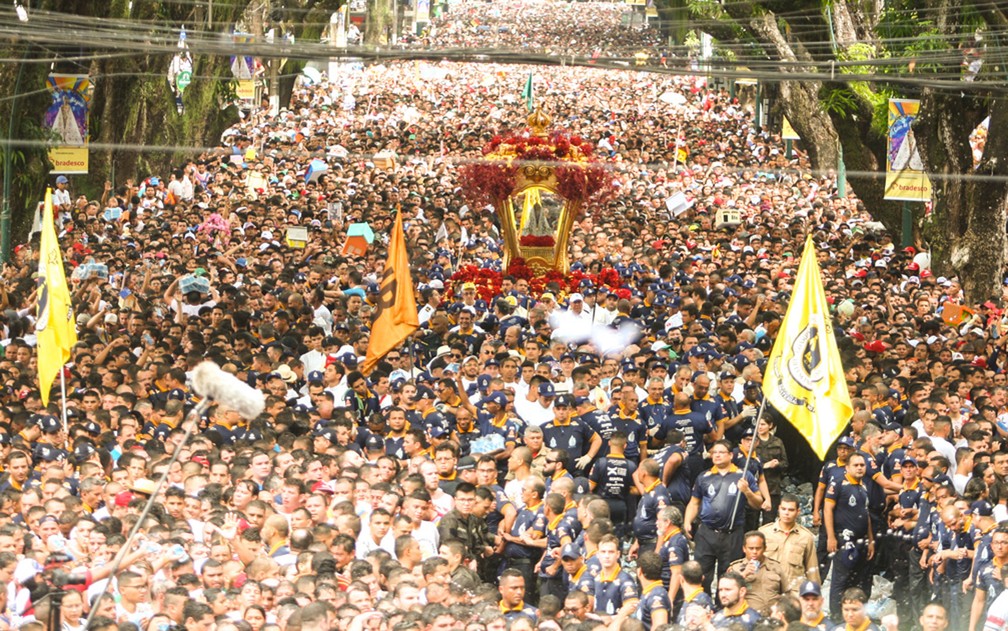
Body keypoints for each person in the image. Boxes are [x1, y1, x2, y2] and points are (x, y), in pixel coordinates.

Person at [685, 439, 763, 592]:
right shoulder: (704, 477)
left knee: (729, 577)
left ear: (730, 455)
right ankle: (704, 606)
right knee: (701, 575)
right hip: (707, 533)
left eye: (721, 452)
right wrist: (687, 520)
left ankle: (724, 610)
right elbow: (694, 502)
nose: (717, 455)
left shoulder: (743, 475)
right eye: (714, 452)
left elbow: (758, 503)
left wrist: (747, 491)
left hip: (732, 534)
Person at [759, 493, 819, 595]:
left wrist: (814, 594)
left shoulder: (805, 537)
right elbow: (754, 560)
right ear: (778, 509)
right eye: (783, 509)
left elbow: (812, 568)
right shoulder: (765, 532)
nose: (786, 513)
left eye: (791, 510)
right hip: (768, 588)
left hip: (793, 591)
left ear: (798, 512)